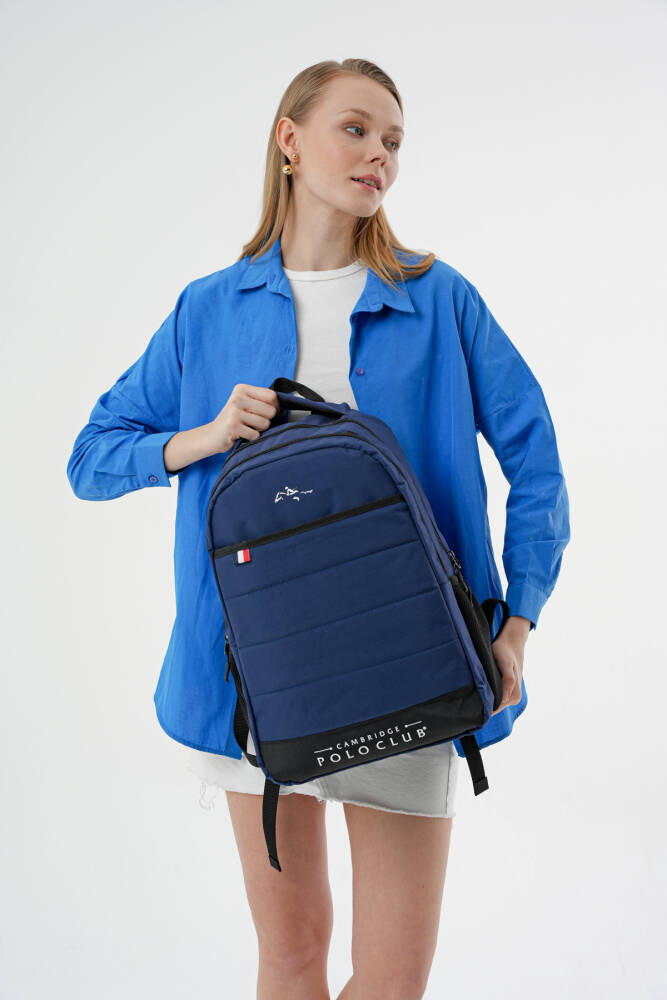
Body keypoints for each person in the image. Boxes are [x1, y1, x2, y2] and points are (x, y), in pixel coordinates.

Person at [66, 58, 570, 1000]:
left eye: (394, 141)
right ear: (289, 141)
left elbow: (535, 461)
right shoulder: (207, 308)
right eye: (356, 128)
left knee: (391, 978)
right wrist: (205, 435)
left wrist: (515, 624)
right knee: (291, 955)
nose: (379, 154)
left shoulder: (438, 297)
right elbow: (91, 456)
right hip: (253, 681)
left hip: (413, 668)